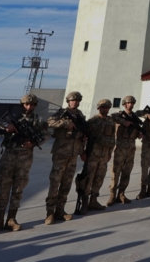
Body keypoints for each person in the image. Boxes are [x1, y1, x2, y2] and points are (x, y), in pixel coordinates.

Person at [0, 93, 49, 236]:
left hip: (25, 157)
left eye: (32, 104)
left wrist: (34, 142)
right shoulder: (11, 117)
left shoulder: (37, 120)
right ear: (22, 105)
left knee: (18, 188)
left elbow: (47, 134)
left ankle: (11, 219)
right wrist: (6, 126)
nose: (29, 107)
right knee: (4, 187)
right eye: (26, 104)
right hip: (9, 156)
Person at [44, 91, 86, 224]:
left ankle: (60, 210)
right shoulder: (61, 113)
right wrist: (66, 123)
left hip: (73, 154)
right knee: (55, 182)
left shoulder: (80, 115)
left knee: (67, 183)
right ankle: (50, 212)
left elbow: (82, 131)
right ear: (68, 101)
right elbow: (50, 122)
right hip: (61, 153)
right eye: (72, 100)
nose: (74, 102)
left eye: (77, 100)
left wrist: (83, 140)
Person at [107, 96, 141, 206]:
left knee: (127, 172)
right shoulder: (119, 115)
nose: (130, 105)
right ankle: (112, 195)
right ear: (124, 104)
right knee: (115, 172)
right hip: (120, 147)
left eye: (132, 103)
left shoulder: (135, 117)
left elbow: (136, 130)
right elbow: (111, 117)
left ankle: (121, 194)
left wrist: (139, 134)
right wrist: (124, 121)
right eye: (128, 103)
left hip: (131, 148)